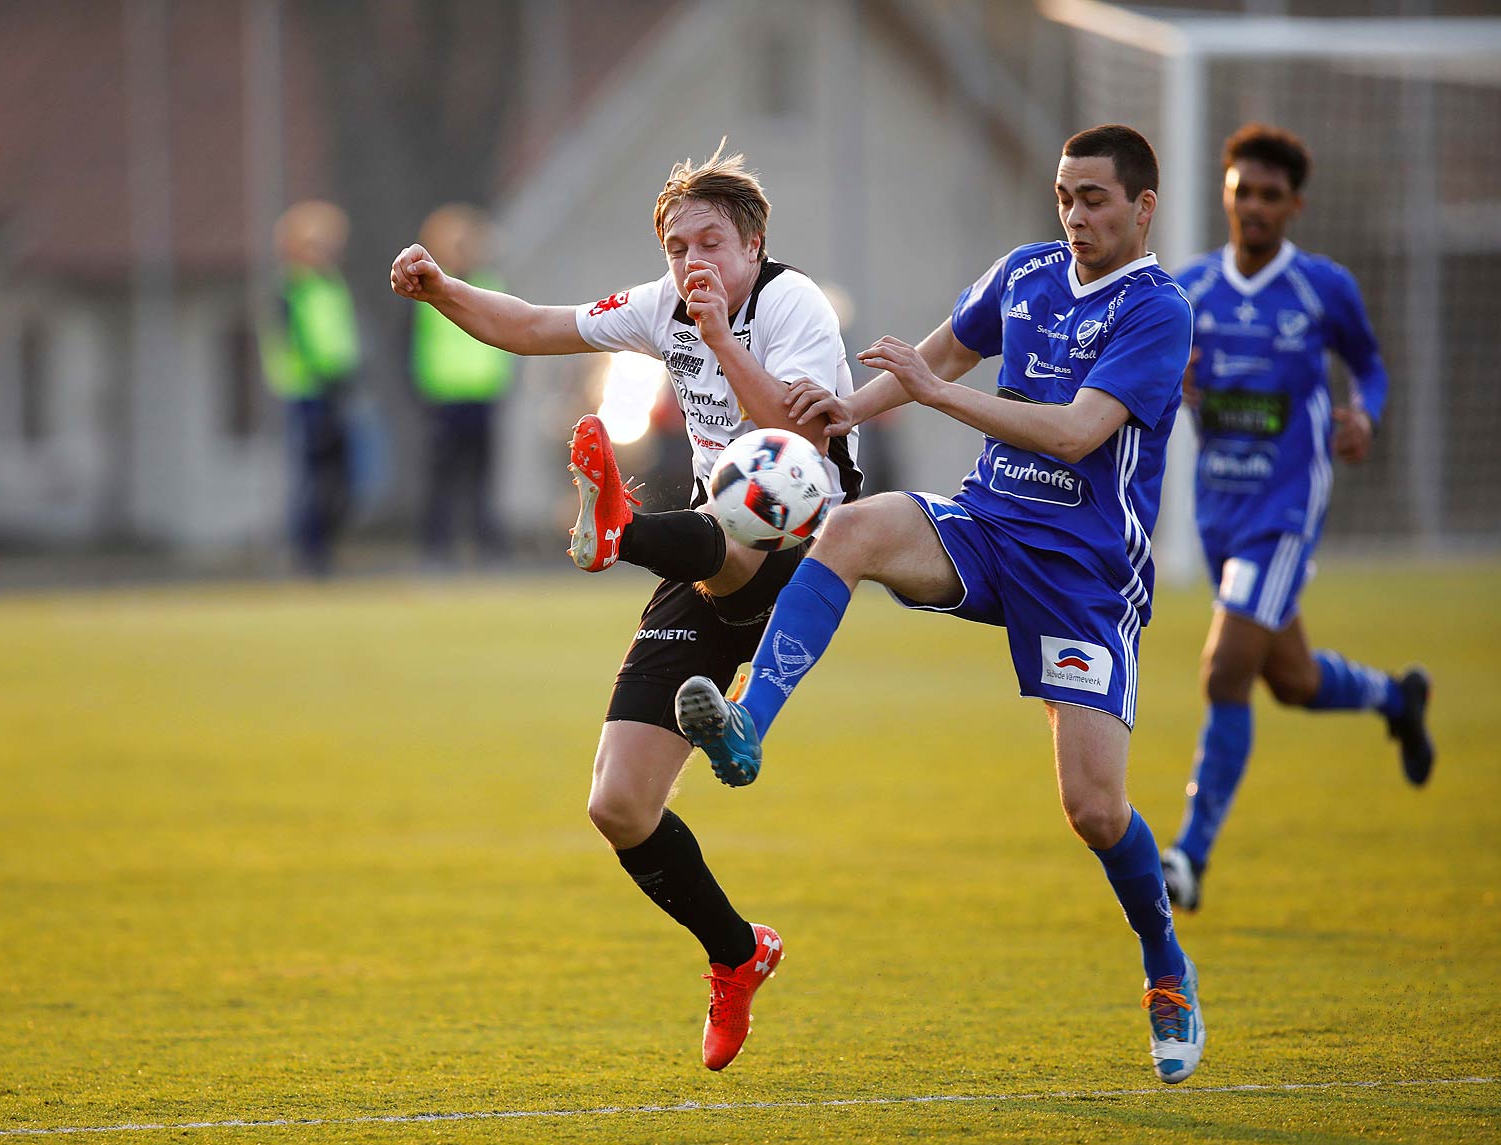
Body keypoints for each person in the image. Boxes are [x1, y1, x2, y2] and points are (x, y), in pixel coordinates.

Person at [674, 126, 1206, 1084]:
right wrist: (854, 409)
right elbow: (944, 353)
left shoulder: (1160, 313)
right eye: (1064, 197)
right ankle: (748, 727)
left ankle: (1165, 964)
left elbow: (1081, 433)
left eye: (1094, 199)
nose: (1076, 217)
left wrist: (927, 397)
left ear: (1142, 208)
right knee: (852, 529)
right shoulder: (1028, 272)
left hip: (1084, 575)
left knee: (1092, 809)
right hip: (988, 528)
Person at [390, 143, 861, 1071]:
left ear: (754, 244)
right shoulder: (662, 304)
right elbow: (531, 325)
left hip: (810, 545)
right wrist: (442, 289)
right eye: (678, 245)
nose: (694, 262)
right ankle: (737, 955)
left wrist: (722, 335)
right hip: (709, 548)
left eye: (712, 243)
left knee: (744, 506)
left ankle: (621, 531)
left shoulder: (791, 305)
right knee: (618, 806)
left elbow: (790, 434)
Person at [1161, 124, 1434, 912]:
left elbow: (1371, 365)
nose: (1254, 206)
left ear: (1294, 207)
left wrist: (1366, 416)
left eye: (1270, 196)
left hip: (1284, 508)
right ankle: (1397, 699)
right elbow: (1149, 380)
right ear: (1225, 193)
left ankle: (1189, 857)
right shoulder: (1191, 292)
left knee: (1223, 671)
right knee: (1293, 679)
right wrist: (1167, 378)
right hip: (1219, 506)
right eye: (1242, 190)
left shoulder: (1322, 287)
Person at [260, 201, 360, 576]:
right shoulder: (289, 290)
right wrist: (320, 374)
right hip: (307, 394)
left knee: (344, 478)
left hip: (337, 391)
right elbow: (295, 342)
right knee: (313, 477)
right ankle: (309, 553)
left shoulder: (331, 286)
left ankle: (326, 548)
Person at [412, 205, 515, 566]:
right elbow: (411, 345)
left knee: (482, 477)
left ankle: (485, 546)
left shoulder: (489, 283)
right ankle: (437, 549)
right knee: (442, 479)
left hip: (483, 396)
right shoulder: (426, 292)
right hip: (444, 398)